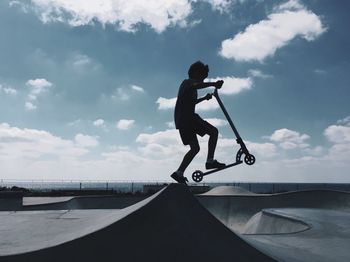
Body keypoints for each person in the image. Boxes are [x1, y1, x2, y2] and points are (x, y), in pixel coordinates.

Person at [171, 61, 226, 184]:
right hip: (188, 119)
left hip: (182, 122)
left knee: (195, 148)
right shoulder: (187, 83)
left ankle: (179, 173)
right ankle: (210, 161)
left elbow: (191, 102)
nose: (202, 81)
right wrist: (213, 83)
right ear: (196, 73)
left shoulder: (189, 87)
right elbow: (195, 85)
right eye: (202, 77)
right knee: (214, 131)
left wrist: (203, 98)